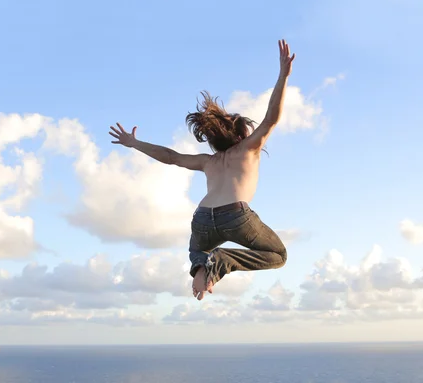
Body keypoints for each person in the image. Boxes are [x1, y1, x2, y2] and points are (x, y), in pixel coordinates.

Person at [109, 39, 296, 300]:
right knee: (278, 255)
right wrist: (283, 76)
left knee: (197, 251)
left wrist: (134, 143)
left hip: (203, 219)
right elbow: (271, 119)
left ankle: (201, 266)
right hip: (235, 216)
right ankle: (219, 263)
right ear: (242, 137)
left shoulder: (209, 161)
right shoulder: (247, 150)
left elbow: (171, 157)